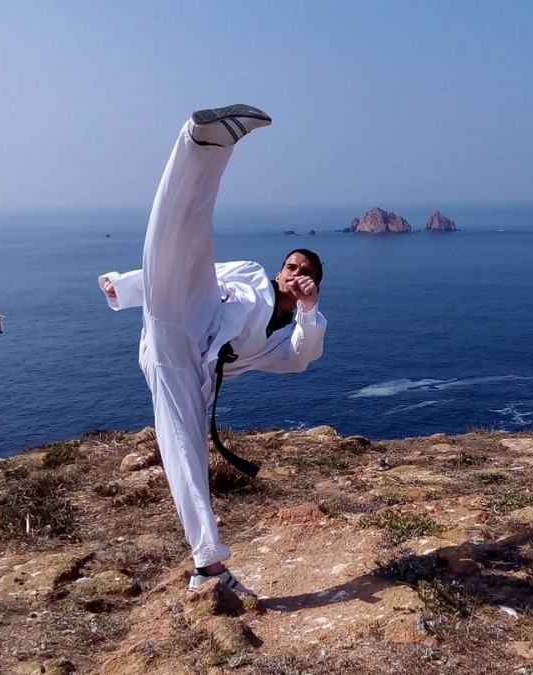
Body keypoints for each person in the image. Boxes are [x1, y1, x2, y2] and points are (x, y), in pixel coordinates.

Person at [97, 105, 326, 596]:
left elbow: (305, 357)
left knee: (186, 454)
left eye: (304, 270)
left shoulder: (279, 343)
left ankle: (208, 566)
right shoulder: (247, 273)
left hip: (190, 367)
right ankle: (204, 141)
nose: (293, 271)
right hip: (194, 312)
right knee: (188, 241)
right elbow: (181, 267)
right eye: (290, 264)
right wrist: (126, 288)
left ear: (312, 285)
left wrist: (309, 309)